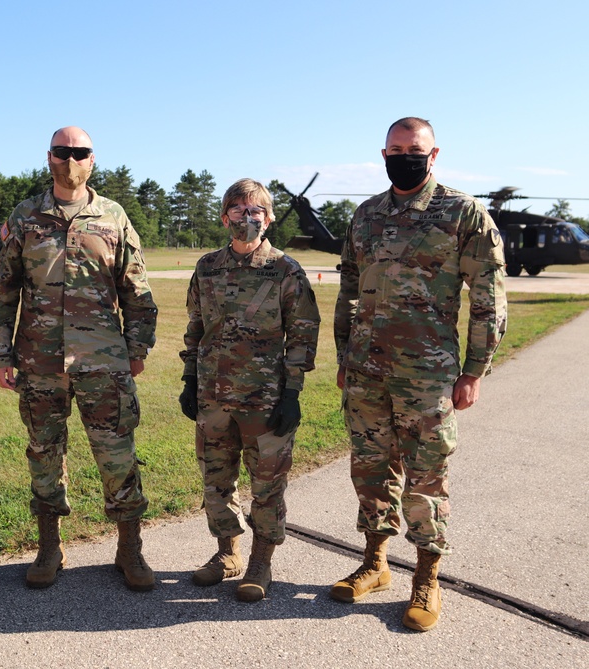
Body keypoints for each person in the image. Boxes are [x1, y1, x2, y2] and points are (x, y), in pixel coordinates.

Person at [331, 117, 507, 631]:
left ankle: (426, 577)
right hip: (366, 372)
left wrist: (474, 370)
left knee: (426, 479)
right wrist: (345, 357)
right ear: (383, 154)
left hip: (428, 376)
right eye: (396, 148)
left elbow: (489, 297)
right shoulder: (365, 215)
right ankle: (375, 562)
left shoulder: (462, 213)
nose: (405, 155)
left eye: (415, 149)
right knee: (370, 470)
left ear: (433, 156)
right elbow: (347, 292)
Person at [0, 126, 158, 591]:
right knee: (44, 453)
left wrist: (136, 349)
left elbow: (137, 292)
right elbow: (3, 293)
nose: (70, 160)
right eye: (62, 152)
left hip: (103, 363)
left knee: (117, 454)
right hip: (39, 362)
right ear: (49, 158)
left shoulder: (114, 217)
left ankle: (130, 550)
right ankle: (49, 547)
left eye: (79, 152)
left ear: (92, 160)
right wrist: (1, 354)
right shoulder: (25, 217)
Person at [179, 179, 320, 602]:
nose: (248, 217)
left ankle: (261, 561)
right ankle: (227, 554)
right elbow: (195, 326)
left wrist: (292, 392)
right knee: (216, 481)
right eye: (238, 210)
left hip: (266, 398)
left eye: (256, 210)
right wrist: (190, 380)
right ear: (225, 218)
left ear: (270, 217)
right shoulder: (207, 267)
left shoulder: (285, 269)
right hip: (213, 395)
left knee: (267, 485)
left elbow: (303, 334)